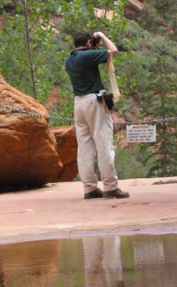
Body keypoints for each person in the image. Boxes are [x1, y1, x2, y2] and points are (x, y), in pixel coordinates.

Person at [65, 31, 129, 199]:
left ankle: (89, 188)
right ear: (88, 43)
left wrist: (93, 44)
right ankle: (110, 186)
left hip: (78, 103)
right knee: (104, 143)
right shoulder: (88, 56)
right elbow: (113, 50)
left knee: (84, 148)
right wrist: (101, 34)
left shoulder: (69, 59)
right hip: (94, 102)